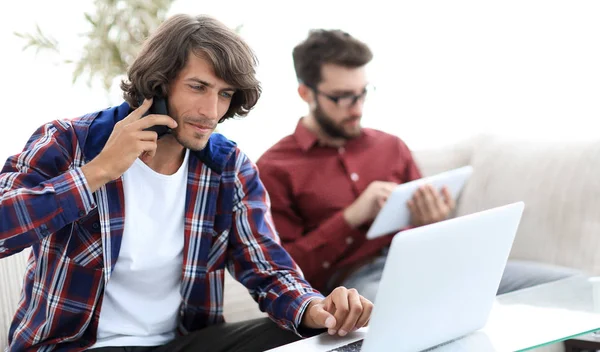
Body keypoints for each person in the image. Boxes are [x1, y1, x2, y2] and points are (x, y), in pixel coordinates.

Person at [0, 15, 373, 352]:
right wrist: (97, 172)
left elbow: (267, 268)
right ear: (159, 84)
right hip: (77, 347)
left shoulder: (228, 167)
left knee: (324, 342)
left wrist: (317, 309)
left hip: (184, 342)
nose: (212, 112)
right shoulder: (70, 142)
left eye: (224, 94)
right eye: (198, 87)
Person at [256, 29, 579, 301]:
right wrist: (351, 217)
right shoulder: (276, 168)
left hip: (432, 263)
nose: (357, 108)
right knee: (411, 307)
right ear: (305, 93)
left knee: (576, 285)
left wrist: (433, 220)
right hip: (355, 284)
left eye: (363, 93)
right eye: (342, 97)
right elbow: (284, 271)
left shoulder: (390, 146)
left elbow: (432, 234)